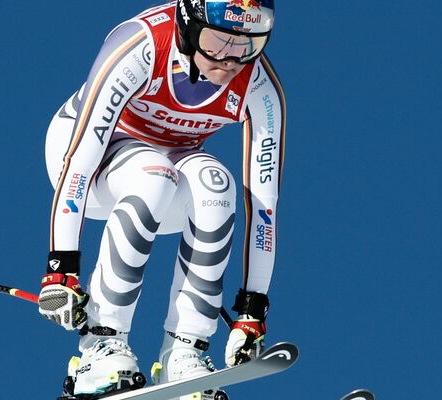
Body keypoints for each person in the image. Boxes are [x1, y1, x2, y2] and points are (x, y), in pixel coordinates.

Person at [38, 0, 284, 398]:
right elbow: (80, 160)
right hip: (89, 160)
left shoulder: (258, 87)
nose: (229, 60)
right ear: (188, 25)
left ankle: (184, 355)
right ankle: (101, 345)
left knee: (216, 182)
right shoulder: (142, 44)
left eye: (247, 46)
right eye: (218, 41)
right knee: (154, 174)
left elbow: (264, 206)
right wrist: (61, 267)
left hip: (169, 170)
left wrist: (253, 309)